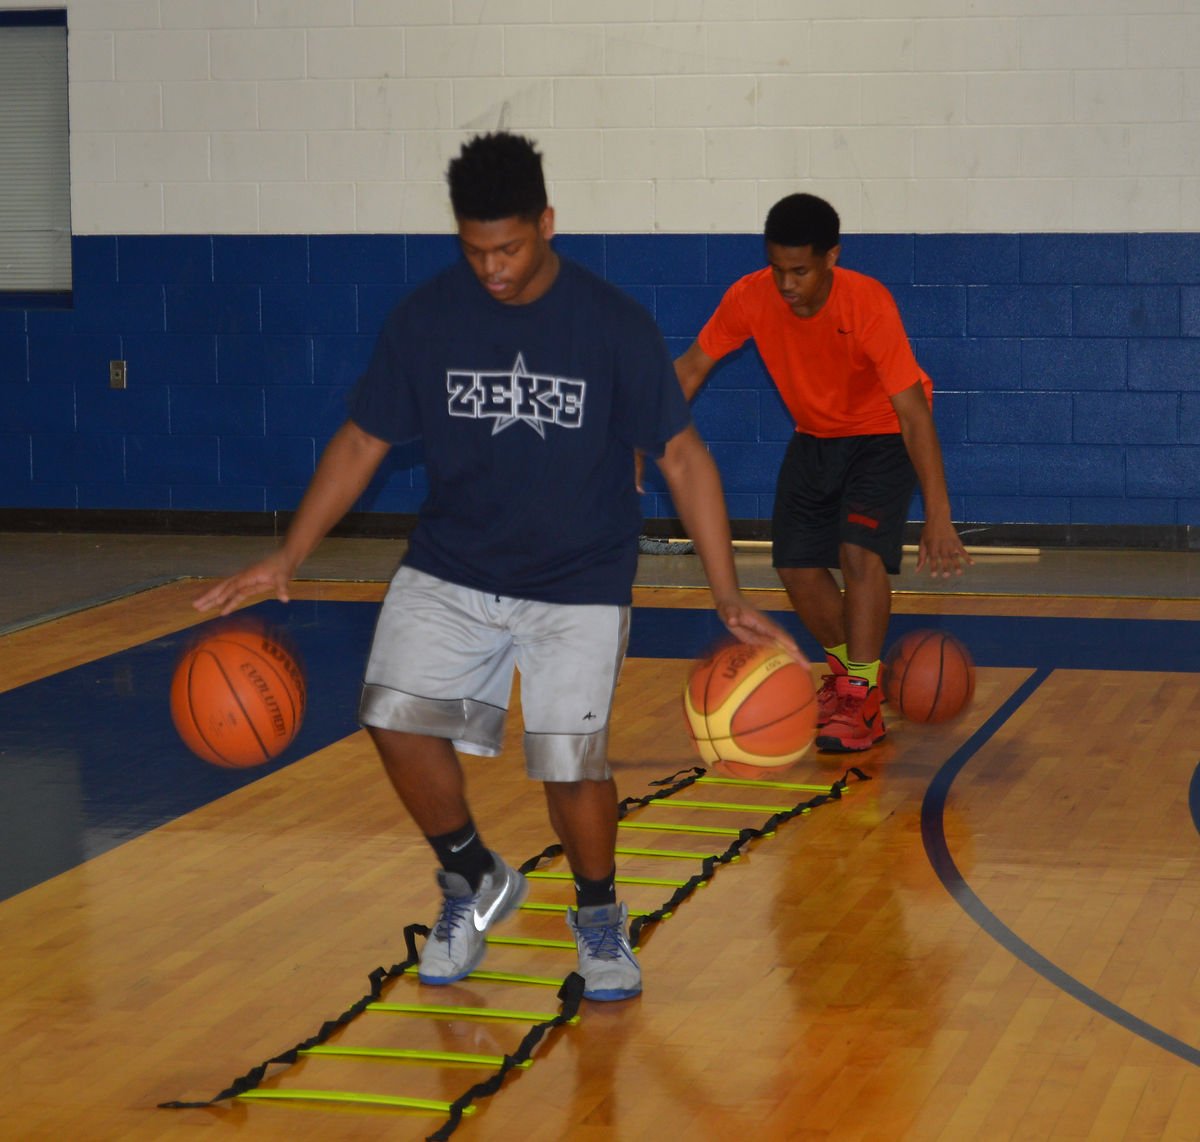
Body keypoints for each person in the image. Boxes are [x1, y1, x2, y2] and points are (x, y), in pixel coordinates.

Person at [194, 132, 797, 1003]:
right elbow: (365, 439)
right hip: (454, 562)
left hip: (579, 577)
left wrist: (728, 591)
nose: (493, 270)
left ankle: (597, 920)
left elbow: (684, 456)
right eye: (475, 251)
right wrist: (290, 554)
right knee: (391, 716)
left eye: (509, 248)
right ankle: (472, 878)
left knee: (569, 764)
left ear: (547, 224)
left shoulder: (612, 323)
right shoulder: (427, 318)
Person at [672, 193, 971, 754]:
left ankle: (858, 695)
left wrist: (939, 515)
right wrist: (643, 434)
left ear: (831, 257)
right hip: (816, 437)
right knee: (795, 566)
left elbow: (912, 414)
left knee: (858, 554)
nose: (787, 284)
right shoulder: (750, 297)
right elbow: (690, 367)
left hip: (882, 434)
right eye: (778, 269)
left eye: (800, 271)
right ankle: (854, 677)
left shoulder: (868, 304)